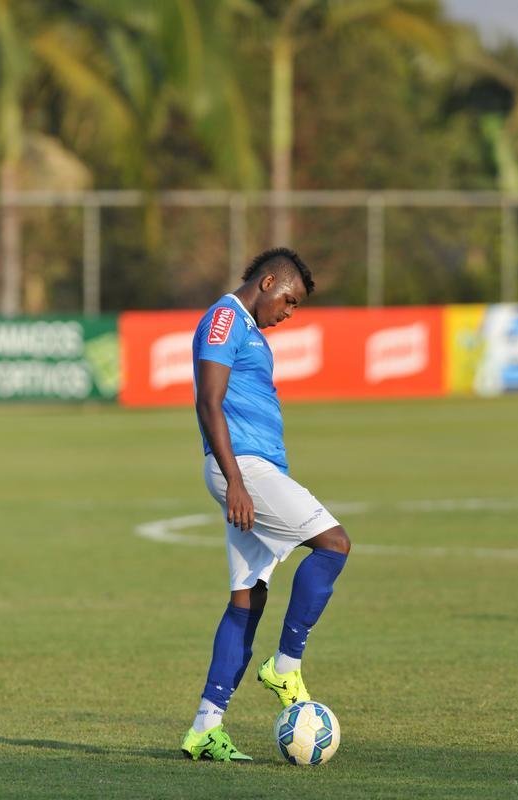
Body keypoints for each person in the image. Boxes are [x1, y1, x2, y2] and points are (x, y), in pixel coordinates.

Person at [182, 247, 350, 762]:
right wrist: (235, 480)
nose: (288, 313)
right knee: (334, 544)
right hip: (244, 471)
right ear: (268, 281)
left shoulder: (249, 330)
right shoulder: (225, 319)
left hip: (255, 471)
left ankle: (205, 728)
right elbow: (208, 400)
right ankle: (285, 664)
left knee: (247, 598)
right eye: (289, 301)